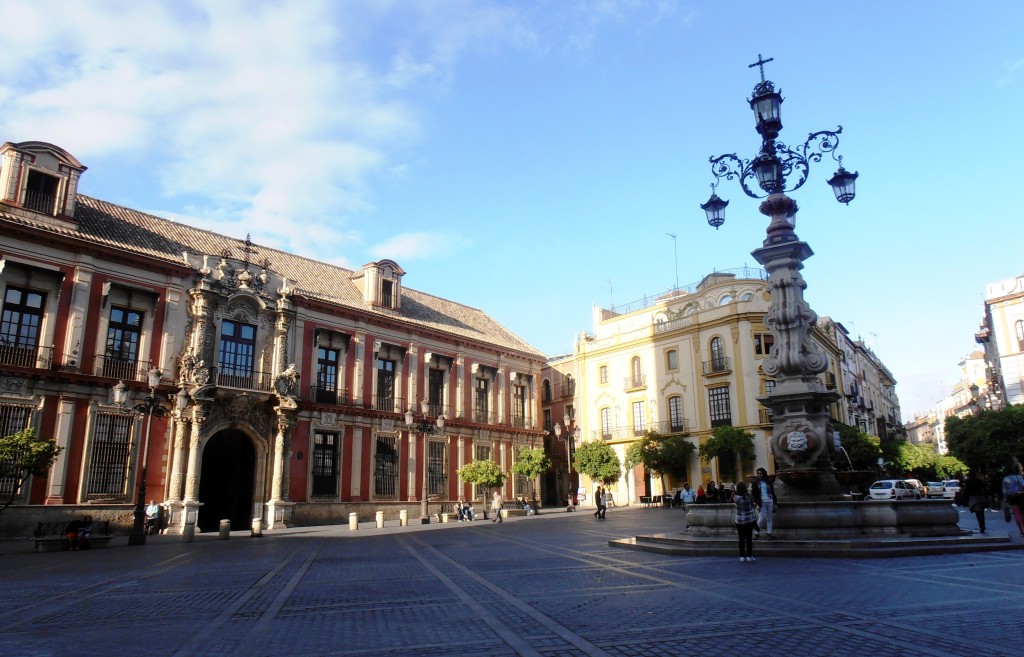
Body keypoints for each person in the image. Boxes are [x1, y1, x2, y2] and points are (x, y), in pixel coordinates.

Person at [751, 467, 778, 540]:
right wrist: (757, 503)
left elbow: (772, 492)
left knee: (769, 518)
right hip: (761, 502)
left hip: (770, 501)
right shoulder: (756, 482)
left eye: (760, 473)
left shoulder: (768, 482)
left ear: (763, 473)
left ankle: (769, 533)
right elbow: (754, 494)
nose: (759, 475)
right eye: (758, 473)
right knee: (761, 518)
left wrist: (775, 502)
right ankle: (756, 533)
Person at [732, 482, 757, 562]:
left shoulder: (735, 498)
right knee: (749, 538)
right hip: (749, 520)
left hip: (739, 520)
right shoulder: (749, 497)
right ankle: (749, 556)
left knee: (741, 538)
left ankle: (742, 556)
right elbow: (753, 506)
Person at [1002, 462, 1024, 537]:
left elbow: (1004, 490)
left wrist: (1005, 498)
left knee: (1016, 513)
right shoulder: (1019, 477)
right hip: (1021, 495)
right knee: (1022, 513)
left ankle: (1021, 530)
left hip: (1011, 496)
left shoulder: (1005, 479)